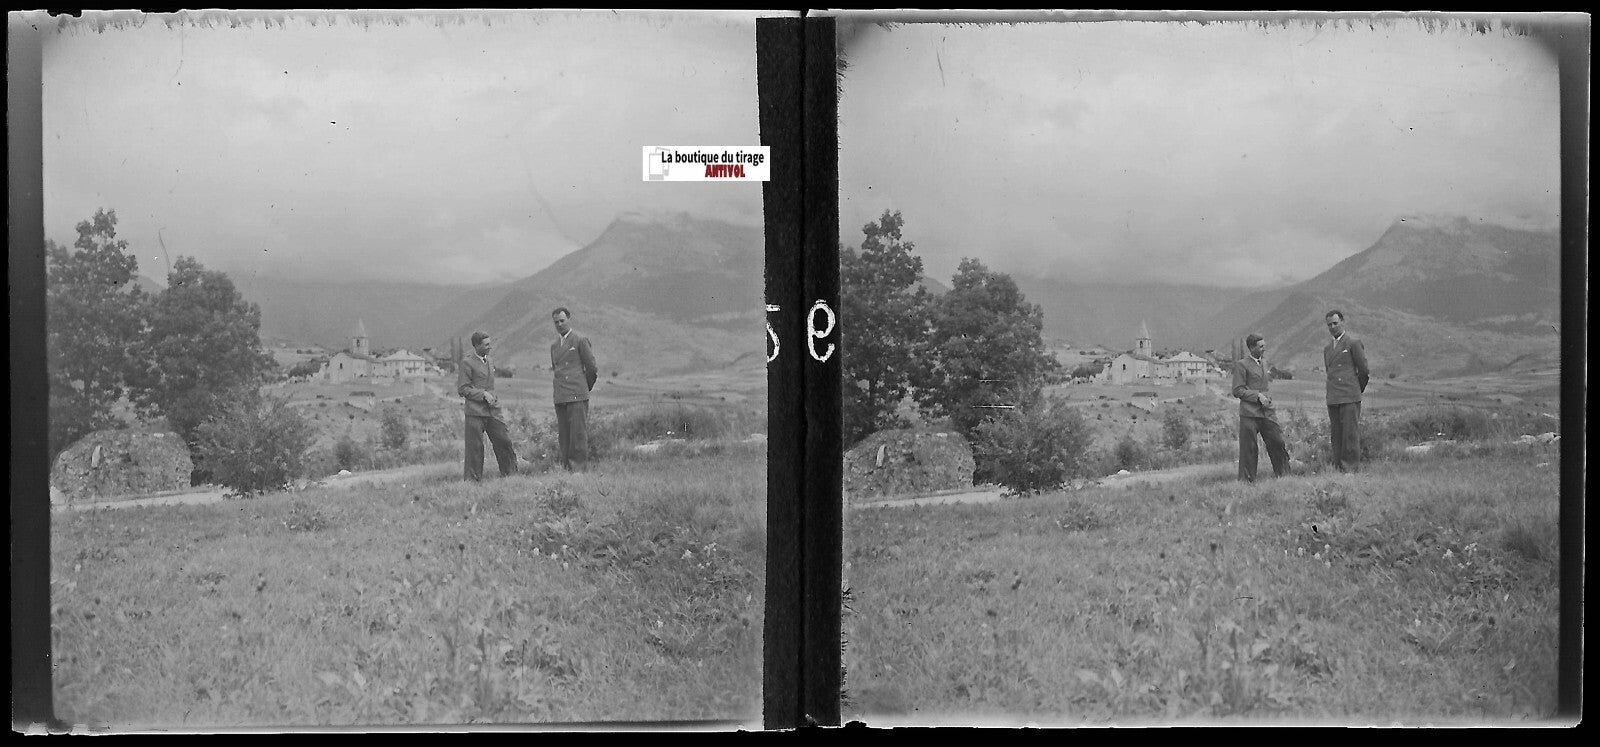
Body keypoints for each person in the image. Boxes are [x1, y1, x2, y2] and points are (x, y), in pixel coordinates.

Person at [458, 331, 518, 481]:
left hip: (493, 411)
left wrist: (492, 398)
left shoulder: (490, 360)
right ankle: (473, 481)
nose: (490, 347)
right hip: (475, 412)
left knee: (504, 440)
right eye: (486, 345)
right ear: (477, 346)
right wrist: (483, 394)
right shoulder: (467, 363)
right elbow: (463, 389)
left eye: (490, 343)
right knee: (475, 449)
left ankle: (511, 475)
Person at [1232, 334, 1290, 482]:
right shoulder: (1241, 365)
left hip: (1267, 412)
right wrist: (1257, 396)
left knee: (1277, 441)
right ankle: (1247, 481)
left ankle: (1284, 475)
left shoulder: (1264, 363)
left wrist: (1268, 400)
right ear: (1251, 348)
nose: (1264, 348)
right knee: (1249, 449)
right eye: (1261, 346)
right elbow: (1237, 390)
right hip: (1249, 413)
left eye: (1264, 345)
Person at [550, 307, 599, 471]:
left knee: (578, 434)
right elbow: (556, 369)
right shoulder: (554, 345)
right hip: (561, 395)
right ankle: (566, 468)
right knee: (564, 435)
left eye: (562, 321)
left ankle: (578, 469)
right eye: (556, 322)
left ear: (569, 320)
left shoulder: (580, 340)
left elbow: (591, 368)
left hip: (577, 394)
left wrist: (584, 387)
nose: (559, 324)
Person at [1323, 309, 1370, 473]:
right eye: (1329, 325)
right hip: (1334, 397)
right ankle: (1338, 467)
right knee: (1336, 435)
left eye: (1335, 323)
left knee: (1350, 434)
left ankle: (1350, 468)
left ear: (1342, 322)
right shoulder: (1327, 348)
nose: (1333, 327)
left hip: (1349, 396)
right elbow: (1330, 372)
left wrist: (1356, 390)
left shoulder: (1353, 343)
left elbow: (1364, 371)